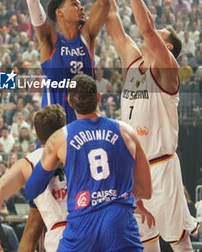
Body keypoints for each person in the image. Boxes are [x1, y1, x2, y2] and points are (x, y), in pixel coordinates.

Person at [105, 0, 198, 252]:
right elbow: (111, 15)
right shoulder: (133, 64)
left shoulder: (169, 70)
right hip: (133, 169)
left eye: (161, 35)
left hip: (161, 166)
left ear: (168, 48)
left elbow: (144, 28)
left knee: (180, 244)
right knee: (145, 245)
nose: (153, 34)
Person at [25, 75, 152, 252]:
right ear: (98, 97)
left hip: (81, 224)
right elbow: (146, 191)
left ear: (69, 102)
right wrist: (114, 192)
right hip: (119, 222)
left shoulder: (60, 138)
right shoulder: (127, 132)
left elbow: (31, 189)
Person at [0, 104, 67, 252]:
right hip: (92, 229)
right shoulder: (80, 148)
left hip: (60, 236)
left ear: (37, 134)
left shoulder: (28, 163)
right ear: (63, 129)